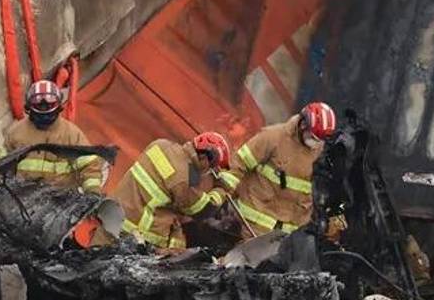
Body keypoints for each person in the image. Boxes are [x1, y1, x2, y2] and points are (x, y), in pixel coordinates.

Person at [220, 102, 337, 235]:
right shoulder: (272, 137)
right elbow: (239, 164)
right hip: (252, 226)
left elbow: (319, 193)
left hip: (287, 238)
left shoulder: (321, 154)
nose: (315, 144)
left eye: (319, 140)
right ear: (303, 124)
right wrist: (221, 194)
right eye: (312, 137)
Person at [115, 131, 231, 250]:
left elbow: (176, 178)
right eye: (211, 167)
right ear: (205, 158)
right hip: (136, 233)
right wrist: (221, 189)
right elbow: (203, 210)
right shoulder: (183, 180)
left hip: (114, 214)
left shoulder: (160, 145)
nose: (207, 172)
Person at [2, 79, 105, 193]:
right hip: (22, 197)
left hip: (60, 201)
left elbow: (89, 167)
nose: (44, 109)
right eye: (39, 105)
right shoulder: (16, 132)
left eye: (49, 105)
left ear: (59, 107)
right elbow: (3, 166)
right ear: (29, 107)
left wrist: (93, 193)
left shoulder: (72, 135)